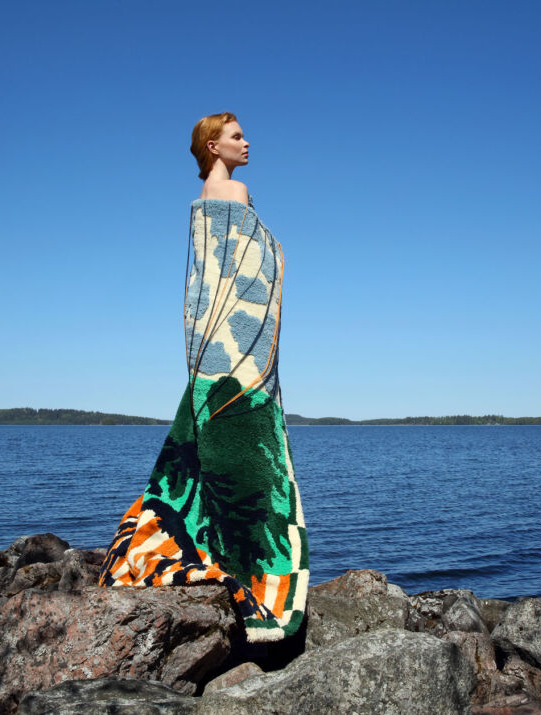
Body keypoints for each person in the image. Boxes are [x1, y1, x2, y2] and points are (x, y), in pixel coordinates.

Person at [98, 112, 309, 643]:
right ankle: (254, 570)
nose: (247, 142)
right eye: (237, 136)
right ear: (213, 145)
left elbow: (208, 277)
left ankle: (198, 542)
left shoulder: (205, 204)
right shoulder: (233, 192)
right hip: (238, 352)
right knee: (246, 453)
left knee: (209, 447)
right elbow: (238, 270)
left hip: (213, 344)